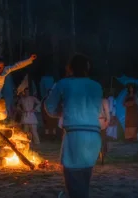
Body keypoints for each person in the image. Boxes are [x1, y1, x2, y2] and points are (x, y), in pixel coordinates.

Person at [45, 54, 103, 198]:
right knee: (84, 179)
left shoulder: (64, 84)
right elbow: (97, 110)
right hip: (94, 136)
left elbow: (50, 107)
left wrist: (61, 111)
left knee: (74, 181)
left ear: (70, 68)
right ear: (87, 68)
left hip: (75, 136)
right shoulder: (96, 86)